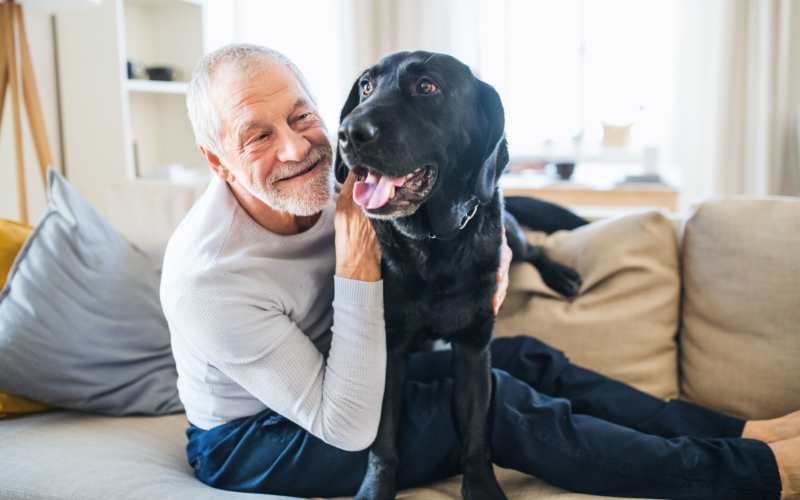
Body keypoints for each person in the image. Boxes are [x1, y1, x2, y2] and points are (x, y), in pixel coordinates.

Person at [160, 43, 800, 500]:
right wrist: (358, 266)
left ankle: (741, 428)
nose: (297, 148)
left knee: (524, 359)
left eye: (301, 116)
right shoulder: (208, 279)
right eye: (257, 136)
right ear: (219, 163)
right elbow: (346, 424)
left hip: (354, 373)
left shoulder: (342, 176)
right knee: (500, 409)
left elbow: (460, 196)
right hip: (266, 437)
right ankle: (757, 472)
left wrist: (489, 246)